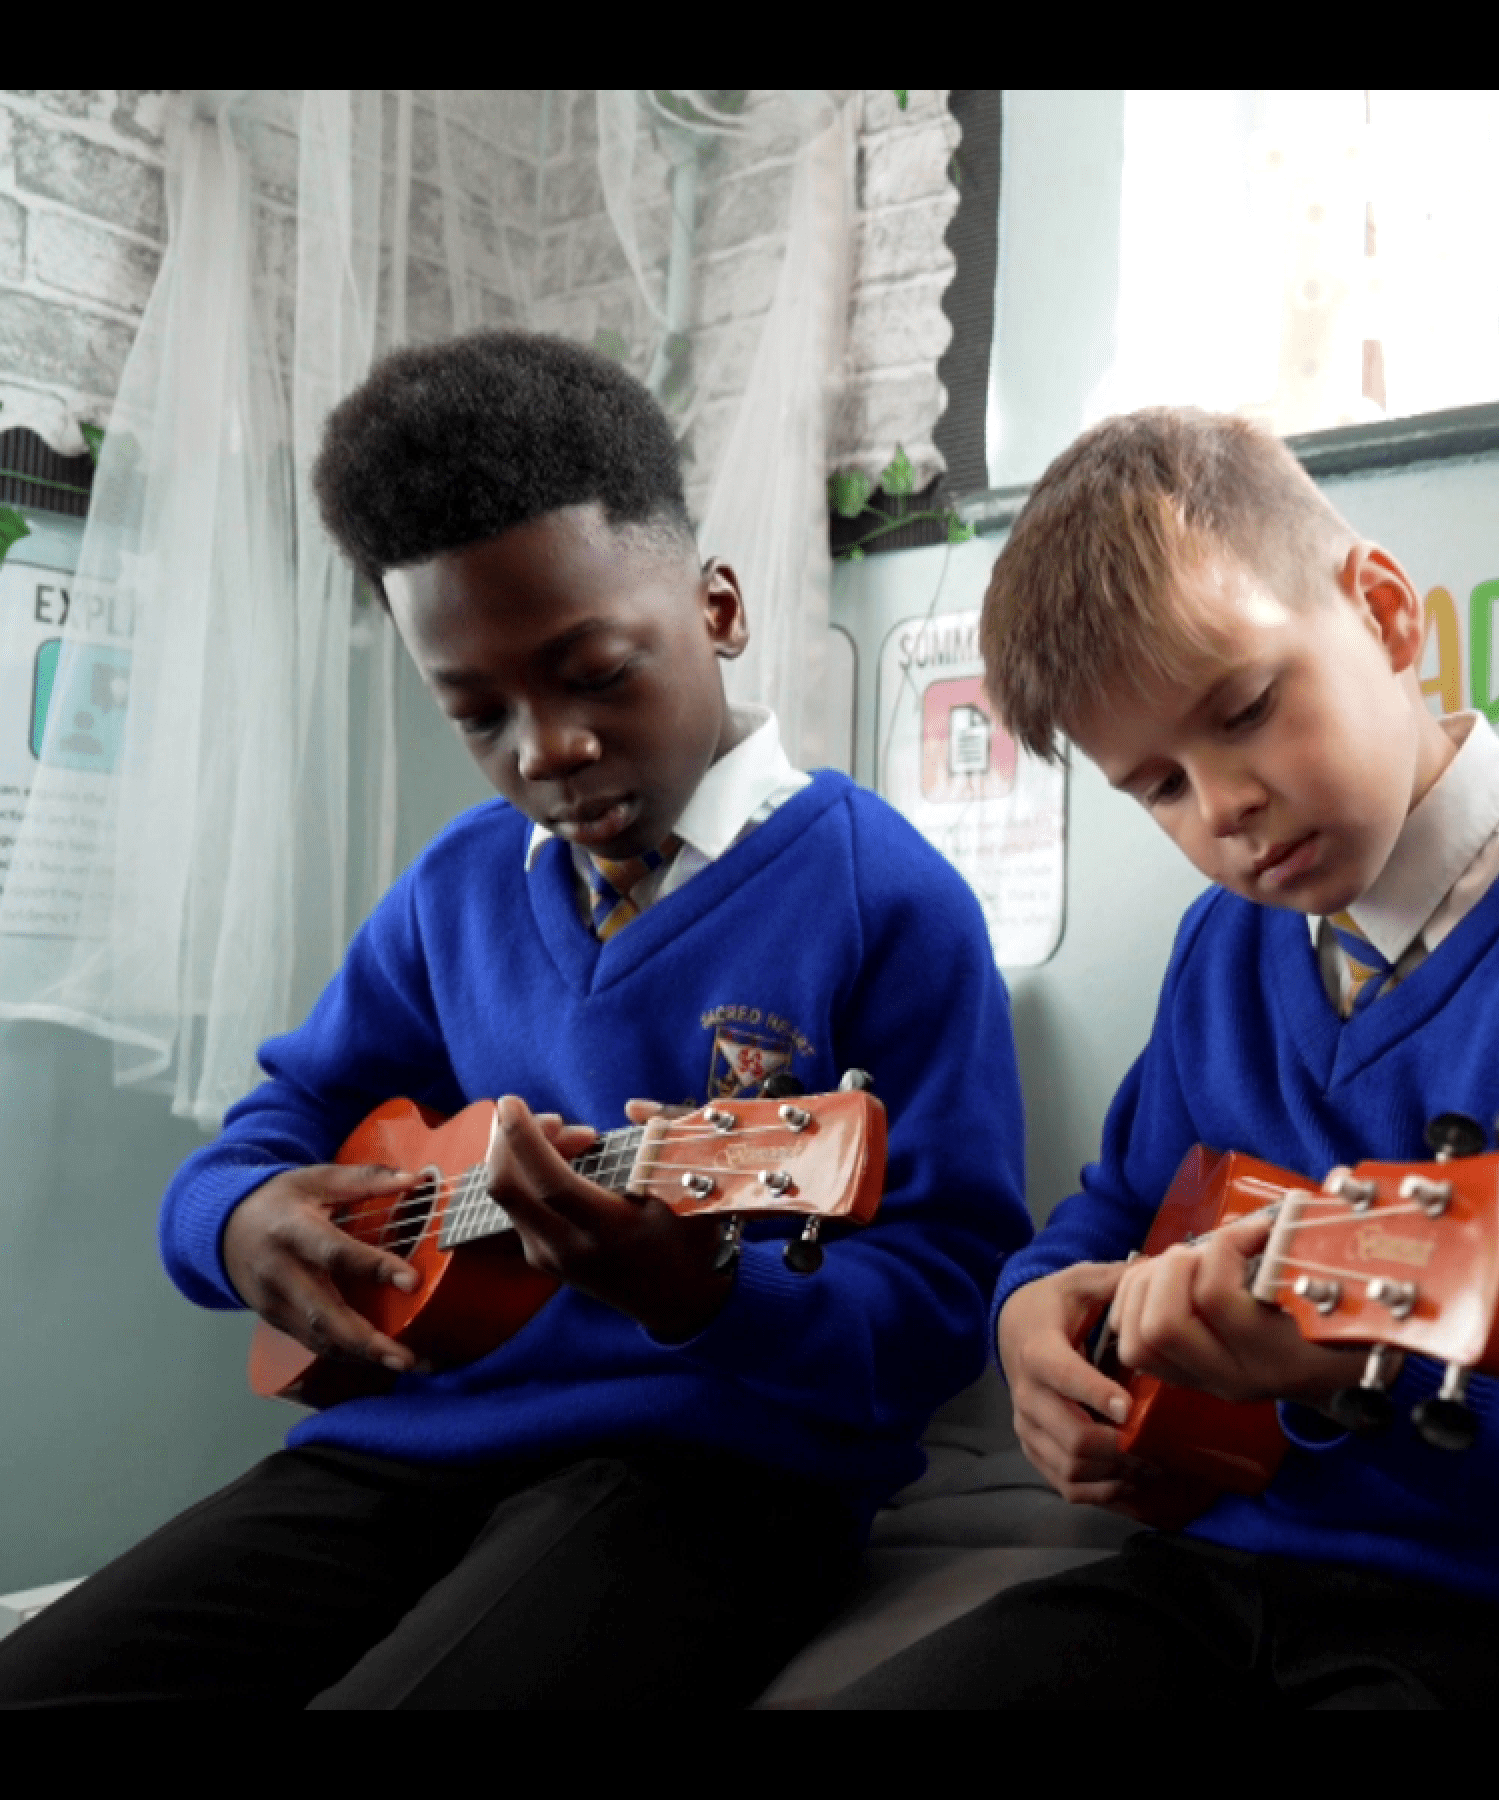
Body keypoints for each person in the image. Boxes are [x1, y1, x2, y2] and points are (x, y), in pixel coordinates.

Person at [0, 331, 1030, 1709]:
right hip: (413, 1440)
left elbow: (947, 1299)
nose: (545, 749)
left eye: (595, 672)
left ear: (719, 607)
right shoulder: (456, 887)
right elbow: (280, 1119)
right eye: (479, 715)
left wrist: (706, 1295)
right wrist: (231, 1222)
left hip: (719, 1471)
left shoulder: (888, 900)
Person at [834, 408, 1499, 1708]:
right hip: (1224, 1570)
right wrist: (1030, 1318)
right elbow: (1114, 1212)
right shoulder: (1223, 947)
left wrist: (1354, 1367)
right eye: (1159, 787)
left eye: (1244, 710)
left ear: (1388, 614)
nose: (1223, 807)